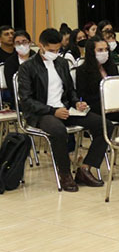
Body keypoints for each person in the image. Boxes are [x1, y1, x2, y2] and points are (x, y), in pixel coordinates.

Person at [17, 28, 112, 192]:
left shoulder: (61, 63)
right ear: (41, 46)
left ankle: (85, 168)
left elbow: (70, 90)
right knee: (59, 131)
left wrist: (76, 103)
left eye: (58, 49)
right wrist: (52, 110)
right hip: (42, 113)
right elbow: (26, 100)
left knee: (105, 125)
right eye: (51, 50)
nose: (55, 53)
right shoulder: (28, 67)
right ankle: (65, 174)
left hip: (65, 109)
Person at [76, 36, 119, 180]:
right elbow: (85, 96)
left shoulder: (111, 66)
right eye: (100, 50)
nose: (104, 53)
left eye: (106, 49)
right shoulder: (82, 70)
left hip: (115, 105)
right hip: (97, 107)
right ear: (91, 52)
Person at [4, 30, 36, 107]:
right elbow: (11, 86)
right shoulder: (10, 62)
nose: (21, 45)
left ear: (30, 42)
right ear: (14, 45)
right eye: (17, 43)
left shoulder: (38, 58)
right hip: (20, 99)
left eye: (24, 42)